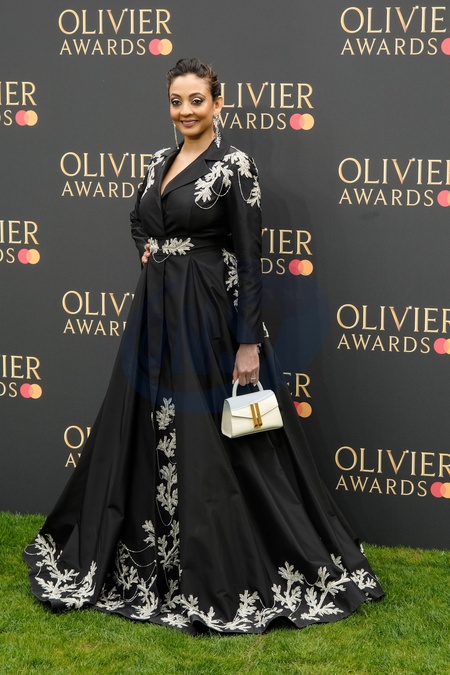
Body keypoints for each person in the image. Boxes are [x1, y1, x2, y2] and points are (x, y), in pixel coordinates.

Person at [23, 58, 383, 635]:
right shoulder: (157, 162)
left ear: (218, 103)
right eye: (176, 101)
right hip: (156, 317)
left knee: (222, 443)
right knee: (146, 431)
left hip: (210, 317)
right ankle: (154, 558)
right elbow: (139, 220)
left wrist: (247, 342)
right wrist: (149, 248)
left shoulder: (235, 166)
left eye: (196, 100)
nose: (185, 111)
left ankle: (226, 560)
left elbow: (251, 259)